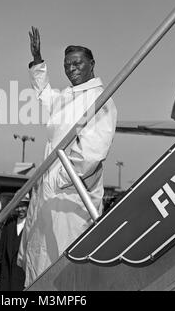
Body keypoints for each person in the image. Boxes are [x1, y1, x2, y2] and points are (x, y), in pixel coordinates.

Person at [17, 27, 117, 287]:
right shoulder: (67, 97)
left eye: (77, 63)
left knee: (62, 270)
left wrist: (57, 179)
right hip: (49, 196)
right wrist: (38, 60)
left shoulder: (100, 98)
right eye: (66, 64)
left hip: (70, 197)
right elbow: (45, 95)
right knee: (39, 266)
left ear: (92, 64)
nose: (71, 69)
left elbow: (91, 153)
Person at [0, 192, 29, 291]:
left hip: (23, 272)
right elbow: (2, 247)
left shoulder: (33, 223)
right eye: (17, 207)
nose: (20, 210)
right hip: (7, 270)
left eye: (23, 206)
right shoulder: (10, 222)